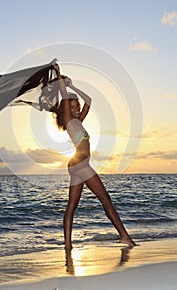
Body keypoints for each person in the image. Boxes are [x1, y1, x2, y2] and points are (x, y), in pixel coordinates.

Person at [52, 61, 136, 251]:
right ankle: (124, 236)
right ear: (66, 109)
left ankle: (68, 245)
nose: (76, 109)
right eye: (72, 107)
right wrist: (59, 77)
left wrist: (72, 85)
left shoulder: (78, 121)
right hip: (80, 164)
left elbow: (89, 100)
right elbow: (64, 98)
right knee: (105, 199)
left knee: (72, 205)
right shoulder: (68, 121)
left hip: (77, 165)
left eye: (76, 106)